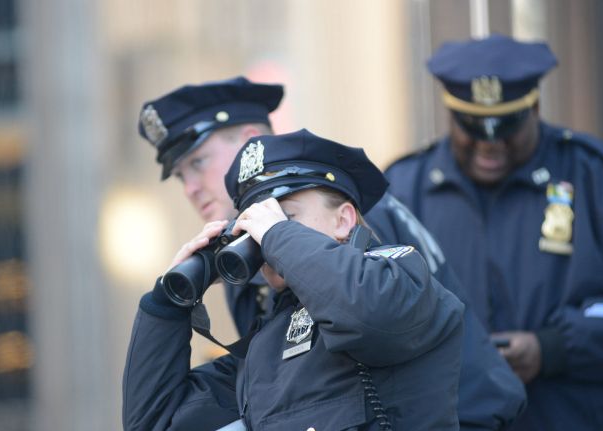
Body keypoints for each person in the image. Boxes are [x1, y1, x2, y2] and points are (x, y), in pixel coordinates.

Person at [137, 76, 526, 430]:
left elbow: (374, 313)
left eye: (198, 163)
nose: (190, 188)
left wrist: (277, 233)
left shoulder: (357, 224)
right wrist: (168, 303)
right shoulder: (251, 260)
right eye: (182, 176)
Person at [385, 34, 603, 431]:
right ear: (450, 115)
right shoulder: (402, 190)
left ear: (535, 108)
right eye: (473, 128)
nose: (490, 145)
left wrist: (553, 348)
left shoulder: (601, 180)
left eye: (506, 127)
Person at [123, 129, 466, 430]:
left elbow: (367, 311)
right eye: (253, 227)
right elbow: (156, 421)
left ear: (343, 219)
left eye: (286, 215)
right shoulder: (264, 348)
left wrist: (277, 234)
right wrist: (167, 304)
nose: (262, 238)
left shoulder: (399, 275)